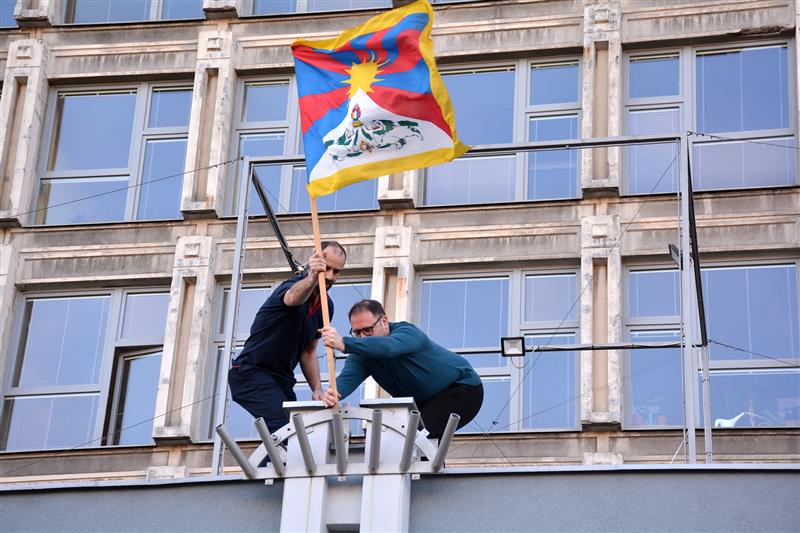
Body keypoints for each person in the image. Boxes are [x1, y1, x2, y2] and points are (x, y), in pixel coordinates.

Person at [228, 241, 347, 433]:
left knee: (298, 434)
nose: (331, 276)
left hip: (282, 380)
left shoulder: (326, 307)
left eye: (337, 271)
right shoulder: (292, 287)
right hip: (252, 373)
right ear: (315, 262)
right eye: (327, 268)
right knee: (288, 433)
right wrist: (312, 277)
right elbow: (292, 298)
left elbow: (308, 352)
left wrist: (317, 389)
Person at [320, 299, 483, 438]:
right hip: (423, 404)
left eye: (368, 330)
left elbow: (389, 347)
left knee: (414, 437)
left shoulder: (408, 332)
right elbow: (347, 379)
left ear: (384, 321)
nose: (362, 338)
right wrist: (333, 393)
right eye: (357, 333)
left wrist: (345, 343)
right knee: (412, 442)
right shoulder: (361, 356)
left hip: (462, 388)